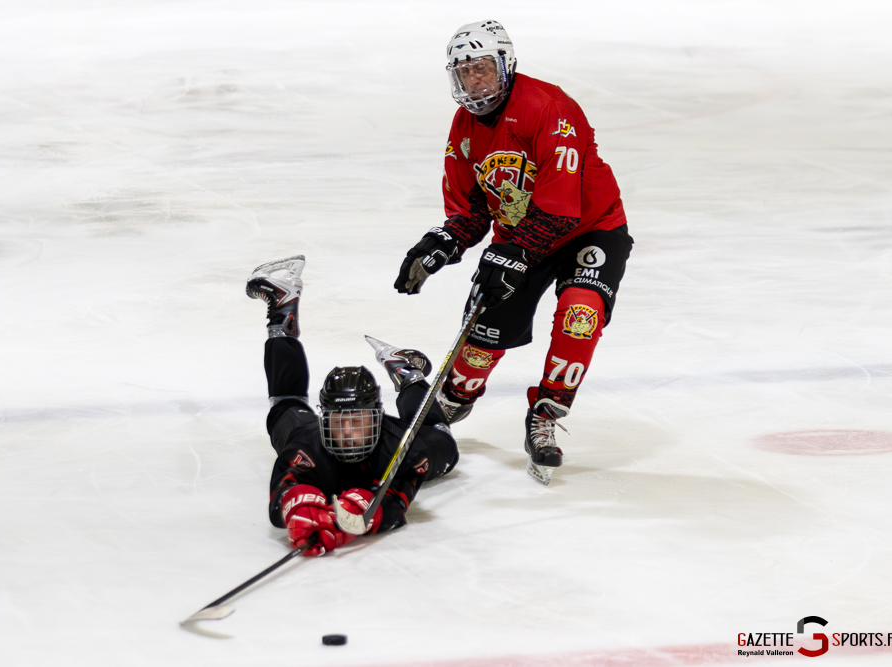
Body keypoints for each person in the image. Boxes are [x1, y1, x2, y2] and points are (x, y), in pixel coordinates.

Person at [394, 20, 633, 484]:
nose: (474, 81)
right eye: (464, 73)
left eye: (482, 68)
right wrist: (443, 244)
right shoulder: (464, 126)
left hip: (590, 229)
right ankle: (454, 398)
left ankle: (547, 409)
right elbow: (473, 207)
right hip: (524, 233)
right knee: (484, 332)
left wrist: (512, 254)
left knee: (579, 314)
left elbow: (561, 209)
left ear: (505, 65)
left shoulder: (549, 108)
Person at [247, 256, 458, 556]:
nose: (346, 431)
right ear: (323, 420)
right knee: (284, 409)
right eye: (337, 421)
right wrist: (300, 507)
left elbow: (397, 503)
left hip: (392, 448)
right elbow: (281, 494)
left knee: (442, 441)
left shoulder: (402, 448)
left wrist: (368, 512)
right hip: (314, 444)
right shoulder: (306, 447)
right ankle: (282, 310)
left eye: (357, 422)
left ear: (377, 418)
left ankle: (407, 373)